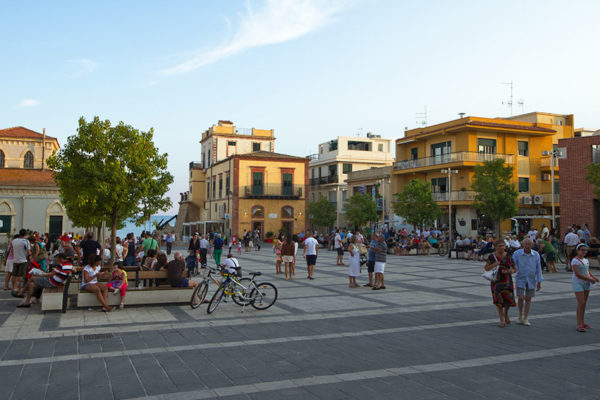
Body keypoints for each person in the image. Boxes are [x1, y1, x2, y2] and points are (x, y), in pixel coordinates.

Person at [484, 240, 516, 327]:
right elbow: (486, 268)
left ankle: (506, 314)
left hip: (507, 280)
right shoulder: (492, 256)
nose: (501, 247)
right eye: (499, 246)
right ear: (495, 247)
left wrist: (510, 271)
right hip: (496, 281)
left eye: (503, 246)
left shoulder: (508, 255)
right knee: (498, 301)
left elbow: (514, 268)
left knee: (509, 300)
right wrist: (494, 264)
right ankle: (501, 319)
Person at [512, 238, 543, 326]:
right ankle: (520, 315)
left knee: (528, 298)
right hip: (520, 278)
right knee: (521, 297)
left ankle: (526, 317)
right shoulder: (517, 253)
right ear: (523, 245)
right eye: (526, 244)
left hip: (531, 278)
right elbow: (513, 263)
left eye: (529, 244)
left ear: (532, 245)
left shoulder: (536, 254)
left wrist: (539, 280)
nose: (528, 246)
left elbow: (538, 268)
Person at [570, 243, 599, 332]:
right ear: (577, 250)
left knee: (584, 303)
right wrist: (590, 279)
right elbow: (578, 274)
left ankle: (582, 322)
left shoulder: (586, 260)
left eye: (585, 250)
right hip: (578, 283)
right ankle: (579, 324)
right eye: (582, 250)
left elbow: (587, 271)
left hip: (586, 283)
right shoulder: (575, 260)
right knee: (581, 303)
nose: (584, 252)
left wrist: (593, 277)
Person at [11, 229, 31, 298]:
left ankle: (14, 288)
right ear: (25, 235)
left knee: (14, 275)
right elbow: (28, 252)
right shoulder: (26, 241)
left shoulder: (14, 241)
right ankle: (20, 290)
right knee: (20, 276)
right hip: (23, 260)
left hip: (15, 260)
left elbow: (12, 250)